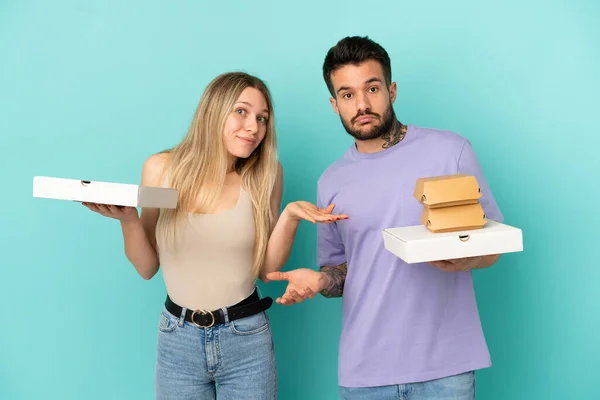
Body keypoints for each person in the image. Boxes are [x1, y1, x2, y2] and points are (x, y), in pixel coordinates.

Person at [82, 72, 348, 400]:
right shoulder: (161, 169)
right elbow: (147, 267)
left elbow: (266, 269)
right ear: (214, 110)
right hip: (177, 339)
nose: (254, 127)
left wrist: (290, 216)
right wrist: (128, 221)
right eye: (242, 111)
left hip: (246, 337)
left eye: (262, 118)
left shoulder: (266, 174)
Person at [266, 37, 504, 399]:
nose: (361, 104)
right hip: (365, 372)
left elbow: (493, 246)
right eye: (347, 95)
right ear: (334, 105)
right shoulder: (330, 181)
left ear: (391, 90)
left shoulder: (451, 152)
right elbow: (343, 274)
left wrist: (462, 260)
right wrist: (318, 281)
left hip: (446, 368)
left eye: (372, 88)